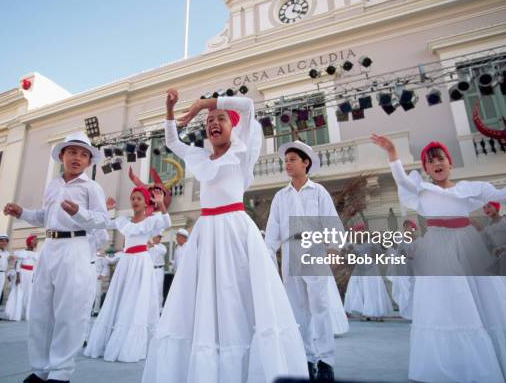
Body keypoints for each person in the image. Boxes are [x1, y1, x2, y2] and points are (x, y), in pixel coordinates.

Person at [142, 89, 307, 383]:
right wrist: (170, 110)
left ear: (233, 127)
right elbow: (171, 141)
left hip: (234, 232)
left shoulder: (242, 154)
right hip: (205, 234)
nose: (213, 123)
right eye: (209, 122)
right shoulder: (199, 156)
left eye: (220, 119)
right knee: (203, 299)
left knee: (237, 297)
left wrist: (202, 105)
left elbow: (247, 106)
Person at [371, 134, 506, 382]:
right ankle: (454, 363)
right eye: (430, 161)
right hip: (438, 246)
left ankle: (490, 362)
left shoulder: (469, 188)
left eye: (440, 158)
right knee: (445, 301)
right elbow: (402, 181)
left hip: (468, 243)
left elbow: (504, 194)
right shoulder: (421, 190)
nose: (436, 163)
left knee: (484, 298)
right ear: (426, 168)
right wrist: (392, 154)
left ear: (449, 163)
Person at [4, 131, 109, 383]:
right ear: (61, 155)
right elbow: (44, 217)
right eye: (72, 152)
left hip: (75, 246)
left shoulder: (92, 187)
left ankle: (61, 373)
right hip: (49, 246)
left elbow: (103, 220)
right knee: (41, 310)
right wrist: (22, 213)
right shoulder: (53, 185)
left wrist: (79, 213)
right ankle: (40, 370)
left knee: (70, 311)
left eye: (83, 154)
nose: (77, 158)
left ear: (89, 162)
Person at [264, 140, 346, 380]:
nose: (287, 164)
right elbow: (273, 231)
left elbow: (330, 220)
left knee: (320, 308)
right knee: (297, 310)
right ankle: (306, 359)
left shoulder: (318, 191)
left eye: (292, 160)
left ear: (305, 163)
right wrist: (268, 255)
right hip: (291, 254)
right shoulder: (280, 196)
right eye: (285, 161)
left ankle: (326, 361)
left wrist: (332, 248)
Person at [84, 187, 171, 362]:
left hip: (141, 262)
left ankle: (133, 342)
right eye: (132, 198)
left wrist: (161, 203)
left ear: (145, 202)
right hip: (126, 262)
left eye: (139, 198)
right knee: (121, 296)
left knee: (137, 298)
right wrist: (105, 209)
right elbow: (103, 223)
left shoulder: (151, 221)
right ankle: (112, 339)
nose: (135, 201)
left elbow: (167, 223)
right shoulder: (124, 221)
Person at [343, 223, 393, 322]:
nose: (357, 234)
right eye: (356, 232)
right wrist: (347, 252)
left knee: (373, 291)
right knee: (363, 291)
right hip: (360, 271)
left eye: (359, 232)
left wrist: (382, 240)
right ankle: (366, 313)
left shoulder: (371, 243)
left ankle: (378, 313)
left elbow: (381, 251)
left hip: (371, 270)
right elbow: (350, 260)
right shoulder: (355, 246)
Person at [5, 235, 39, 321]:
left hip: (31, 275)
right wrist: (18, 277)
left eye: (36, 241)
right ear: (30, 241)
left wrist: (34, 276)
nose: (36, 242)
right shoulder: (22, 252)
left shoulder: (36, 254)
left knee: (29, 293)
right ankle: (16, 314)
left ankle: (27, 314)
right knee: (20, 292)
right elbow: (18, 265)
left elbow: (35, 267)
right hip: (22, 274)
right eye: (34, 240)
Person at [148, 233, 167, 310]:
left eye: (160, 237)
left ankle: (159, 309)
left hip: (159, 269)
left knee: (159, 289)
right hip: (151, 270)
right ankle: (151, 308)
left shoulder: (162, 246)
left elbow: (164, 252)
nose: (159, 238)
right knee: (151, 289)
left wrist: (154, 246)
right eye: (157, 237)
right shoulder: (149, 247)